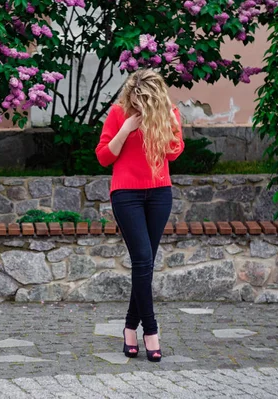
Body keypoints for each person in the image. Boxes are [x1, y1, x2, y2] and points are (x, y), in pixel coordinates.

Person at [95, 69, 184, 362]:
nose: (140, 104)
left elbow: (173, 153)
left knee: (144, 264)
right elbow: (104, 156)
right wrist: (125, 129)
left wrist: (170, 124)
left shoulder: (168, 113)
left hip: (159, 194)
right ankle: (151, 332)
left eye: (145, 100)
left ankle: (130, 328)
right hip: (126, 194)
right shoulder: (119, 112)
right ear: (130, 93)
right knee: (143, 260)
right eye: (135, 98)